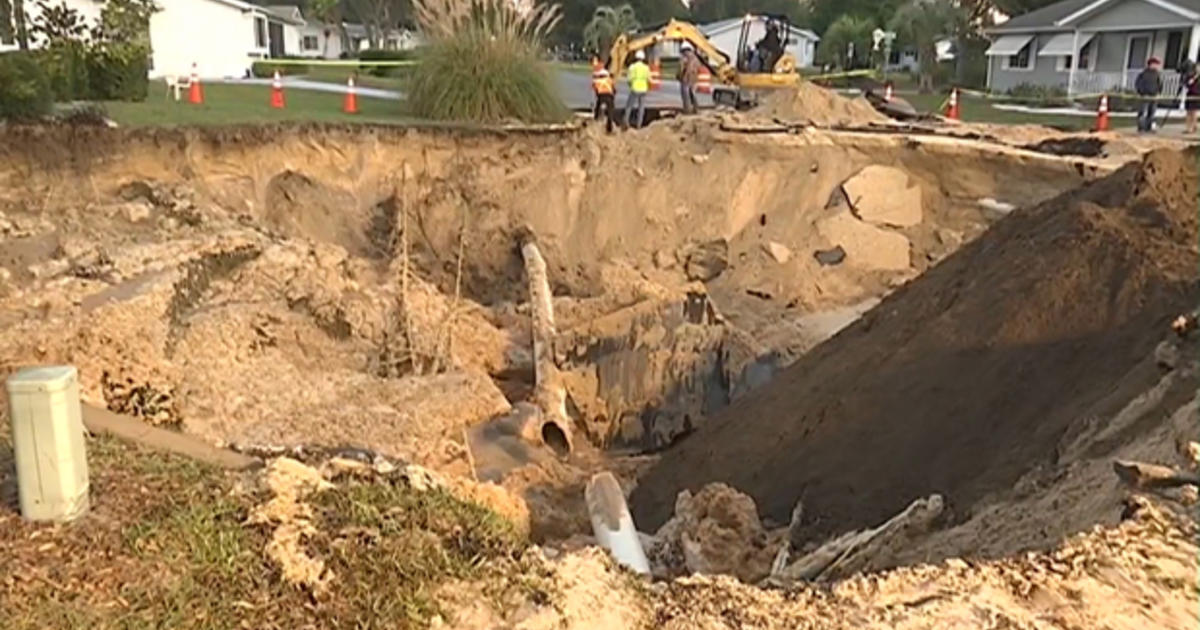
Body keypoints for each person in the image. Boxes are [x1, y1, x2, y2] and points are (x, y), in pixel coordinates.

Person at [1134, 56, 1163, 133]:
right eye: (1155, 64)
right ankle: (1141, 127)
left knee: (1152, 112)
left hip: (1154, 96)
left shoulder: (1157, 75)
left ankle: (1149, 127)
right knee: (1143, 112)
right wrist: (1142, 93)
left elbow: (1159, 84)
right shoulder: (1143, 74)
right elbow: (1138, 84)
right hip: (1145, 96)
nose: (1157, 66)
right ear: (1151, 64)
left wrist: (1158, 93)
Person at [624, 50, 651, 129]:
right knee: (641, 107)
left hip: (635, 88)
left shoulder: (632, 67)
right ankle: (639, 125)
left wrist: (630, 85)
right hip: (643, 89)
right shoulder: (646, 68)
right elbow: (648, 79)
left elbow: (629, 79)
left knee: (629, 106)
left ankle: (626, 122)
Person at [677, 43, 701, 115]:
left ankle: (687, 110)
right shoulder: (696, 58)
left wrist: (679, 76)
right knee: (692, 93)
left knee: (686, 95)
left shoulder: (684, 57)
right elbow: (698, 68)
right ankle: (696, 109)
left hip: (686, 78)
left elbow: (681, 68)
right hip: (694, 78)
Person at [592, 67, 616, 133]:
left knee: (597, 107)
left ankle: (596, 119)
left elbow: (595, 90)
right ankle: (609, 127)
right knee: (610, 111)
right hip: (609, 96)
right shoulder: (610, 80)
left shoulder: (597, 81)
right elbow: (614, 89)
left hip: (601, 96)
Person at [1183, 61, 1200, 134]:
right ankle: (1188, 127)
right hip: (1190, 94)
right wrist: (1190, 81)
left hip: (1197, 95)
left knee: (1194, 112)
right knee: (1188, 112)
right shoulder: (1191, 76)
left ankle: (1193, 127)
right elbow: (1186, 84)